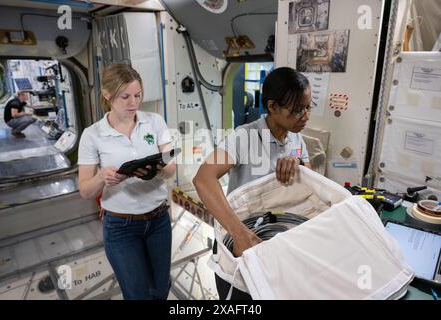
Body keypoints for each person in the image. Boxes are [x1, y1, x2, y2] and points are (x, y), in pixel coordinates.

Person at [193, 67, 312, 300]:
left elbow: (309, 179)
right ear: (272, 107)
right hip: (242, 245)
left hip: (277, 246)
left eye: (308, 107)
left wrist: (296, 161)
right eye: (297, 110)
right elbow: (203, 179)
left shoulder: (296, 137)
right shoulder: (243, 137)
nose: (305, 116)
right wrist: (240, 234)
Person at [77, 64, 176, 300]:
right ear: (107, 95)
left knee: (161, 289)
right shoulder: (92, 135)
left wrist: (157, 172)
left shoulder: (155, 122)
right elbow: (85, 191)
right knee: (138, 294)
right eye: (125, 97)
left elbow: (172, 167)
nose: (133, 103)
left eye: (138, 95)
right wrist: (102, 177)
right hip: (121, 228)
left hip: (159, 220)